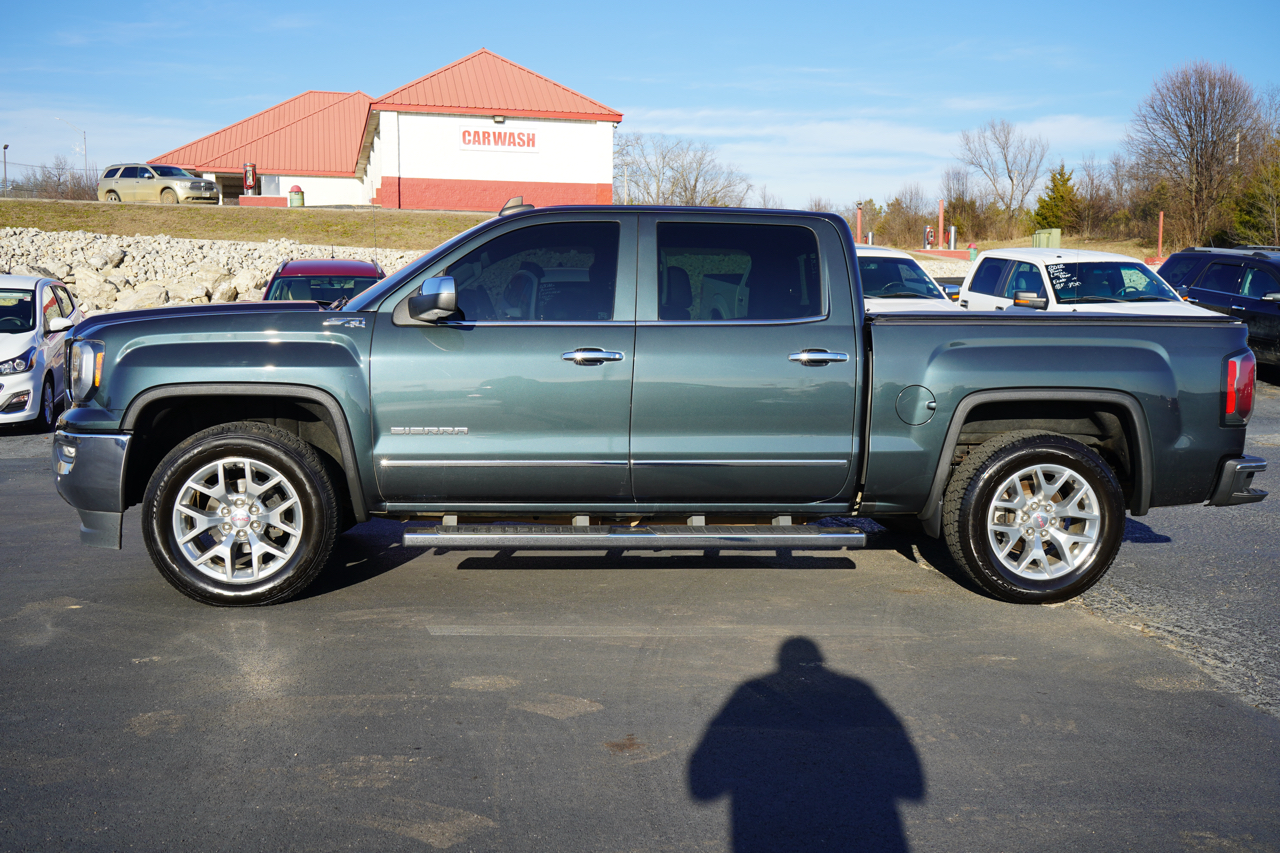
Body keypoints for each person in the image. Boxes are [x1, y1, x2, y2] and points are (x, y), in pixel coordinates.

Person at [689, 637, 924, 852]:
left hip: (769, 829)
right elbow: (912, 784)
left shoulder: (748, 690)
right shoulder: (857, 689)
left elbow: (703, 787)